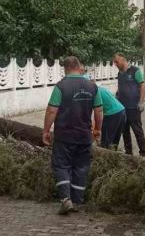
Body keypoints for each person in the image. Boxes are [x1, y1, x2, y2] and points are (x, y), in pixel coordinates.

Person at [43, 56, 103, 214]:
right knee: (81, 167)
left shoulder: (61, 86)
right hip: (84, 136)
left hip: (64, 135)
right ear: (79, 67)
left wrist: (46, 130)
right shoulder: (92, 86)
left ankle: (65, 199)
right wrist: (97, 129)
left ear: (65, 68)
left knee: (61, 165)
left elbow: (51, 110)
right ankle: (77, 200)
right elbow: (99, 111)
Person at [113, 53, 145, 156]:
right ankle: (129, 152)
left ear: (123, 60)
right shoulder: (120, 73)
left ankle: (143, 152)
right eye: (114, 62)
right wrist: (117, 97)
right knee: (125, 132)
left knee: (137, 131)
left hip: (134, 107)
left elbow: (142, 86)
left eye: (116, 61)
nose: (115, 64)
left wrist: (141, 102)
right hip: (123, 108)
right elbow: (120, 88)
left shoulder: (135, 71)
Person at [96, 85, 126, 151]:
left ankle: (106, 157)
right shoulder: (101, 88)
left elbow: (97, 111)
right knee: (115, 141)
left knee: (106, 143)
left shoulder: (93, 92)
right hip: (121, 110)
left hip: (112, 114)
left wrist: (97, 129)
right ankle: (114, 155)